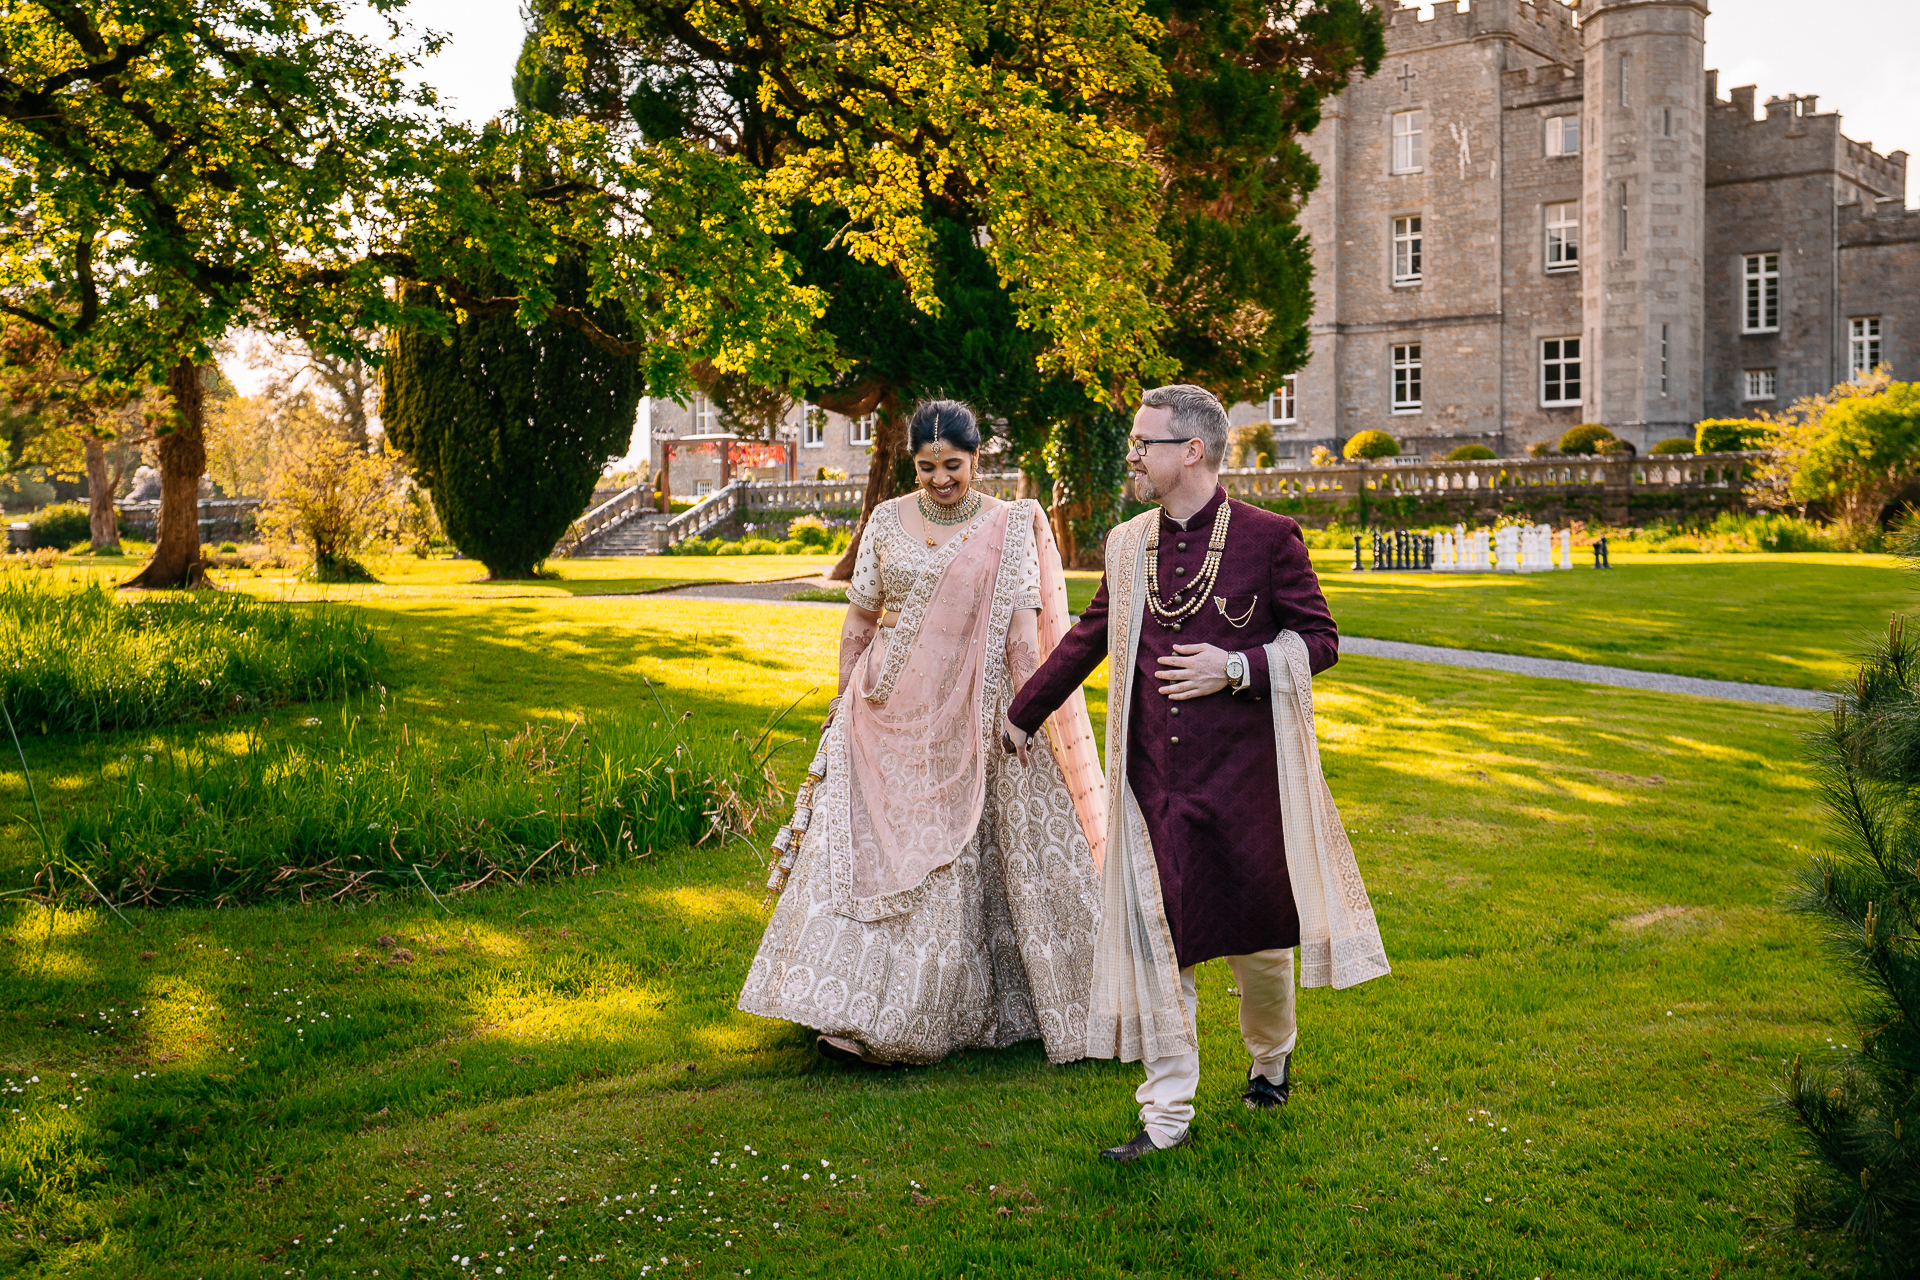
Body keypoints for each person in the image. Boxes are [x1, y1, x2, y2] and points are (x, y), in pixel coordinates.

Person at [1005, 383, 1390, 1162]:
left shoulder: (1269, 538)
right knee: (1160, 942)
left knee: (1258, 947)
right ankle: (1166, 1116)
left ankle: (1270, 1061)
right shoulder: (1126, 543)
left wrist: (1237, 667)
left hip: (1248, 784)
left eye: (1146, 442)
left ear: (1192, 451)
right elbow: (1088, 638)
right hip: (1153, 785)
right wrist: (1023, 712)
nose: (1134, 454)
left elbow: (1321, 641)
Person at [738, 399, 1107, 1066]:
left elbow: (1025, 632)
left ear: (976, 460)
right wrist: (845, 698)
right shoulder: (886, 519)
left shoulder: (1006, 525)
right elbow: (859, 620)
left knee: (947, 854)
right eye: (927, 466)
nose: (940, 479)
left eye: (954, 466)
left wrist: (1027, 715)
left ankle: (910, 1017)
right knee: (867, 849)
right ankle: (840, 1000)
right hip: (886, 707)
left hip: (973, 709)